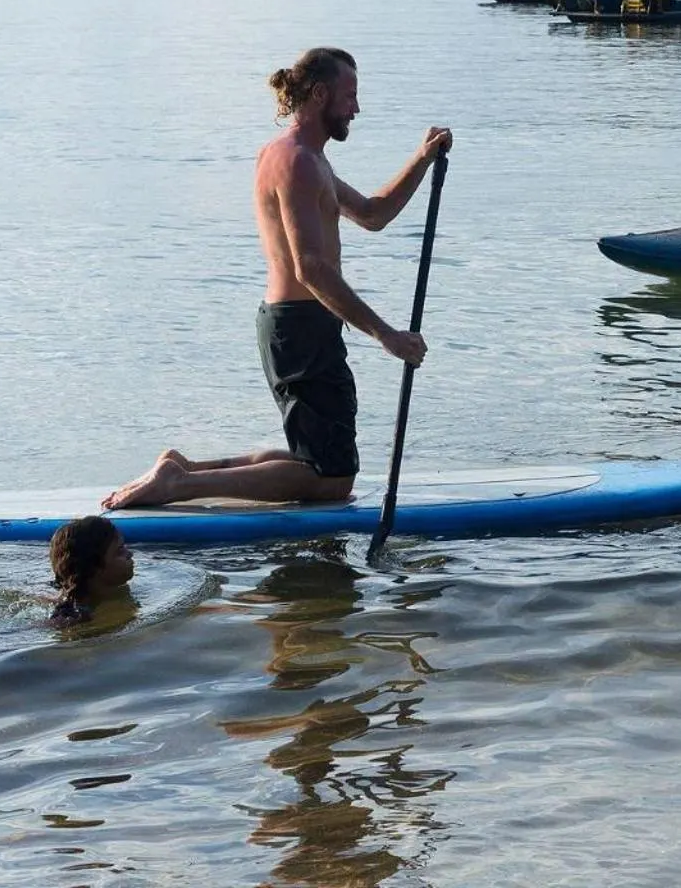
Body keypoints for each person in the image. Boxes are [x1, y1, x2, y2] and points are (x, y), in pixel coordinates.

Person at [104, 47, 451, 508]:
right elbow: (310, 267)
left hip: (298, 326)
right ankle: (179, 486)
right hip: (301, 327)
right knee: (331, 479)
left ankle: (184, 469)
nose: (356, 108)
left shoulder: (303, 157)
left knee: (311, 460)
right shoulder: (297, 164)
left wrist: (422, 158)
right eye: (350, 96)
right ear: (319, 93)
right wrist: (386, 335)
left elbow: (371, 214)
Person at [49, 515, 135, 626]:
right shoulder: (76, 618)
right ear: (95, 568)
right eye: (119, 551)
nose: (130, 554)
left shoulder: (114, 591)